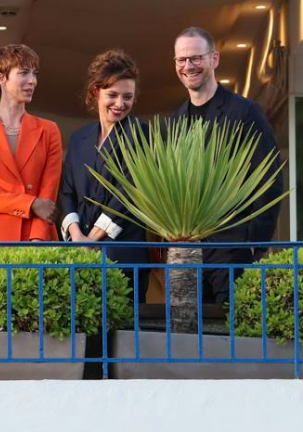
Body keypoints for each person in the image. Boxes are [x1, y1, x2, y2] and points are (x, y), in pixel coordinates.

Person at [171, 26, 283, 303]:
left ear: (214, 59)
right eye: (181, 60)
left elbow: (269, 178)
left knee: (232, 324)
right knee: (188, 327)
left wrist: (254, 243)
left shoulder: (245, 112)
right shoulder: (176, 120)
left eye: (196, 58)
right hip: (187, 251)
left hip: (232, 248)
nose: (188, 66)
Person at [60, 49, 150, 300]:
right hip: (79, 257)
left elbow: (129, 194)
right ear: (95, 92)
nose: (120, 104)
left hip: (124, 258)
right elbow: (67, 191)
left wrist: (91, 240)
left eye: (127, 97)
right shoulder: (79, 138)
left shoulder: (140, 134)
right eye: (112, 95)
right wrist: (77, 236)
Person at [0, 44, 62, 267]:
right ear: (1, 78)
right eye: (24, 73)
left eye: (35, 74)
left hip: (36, 240)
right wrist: (31, 203)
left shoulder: (49, 130)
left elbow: (48, 194)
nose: (32, 81)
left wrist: (37, 240)